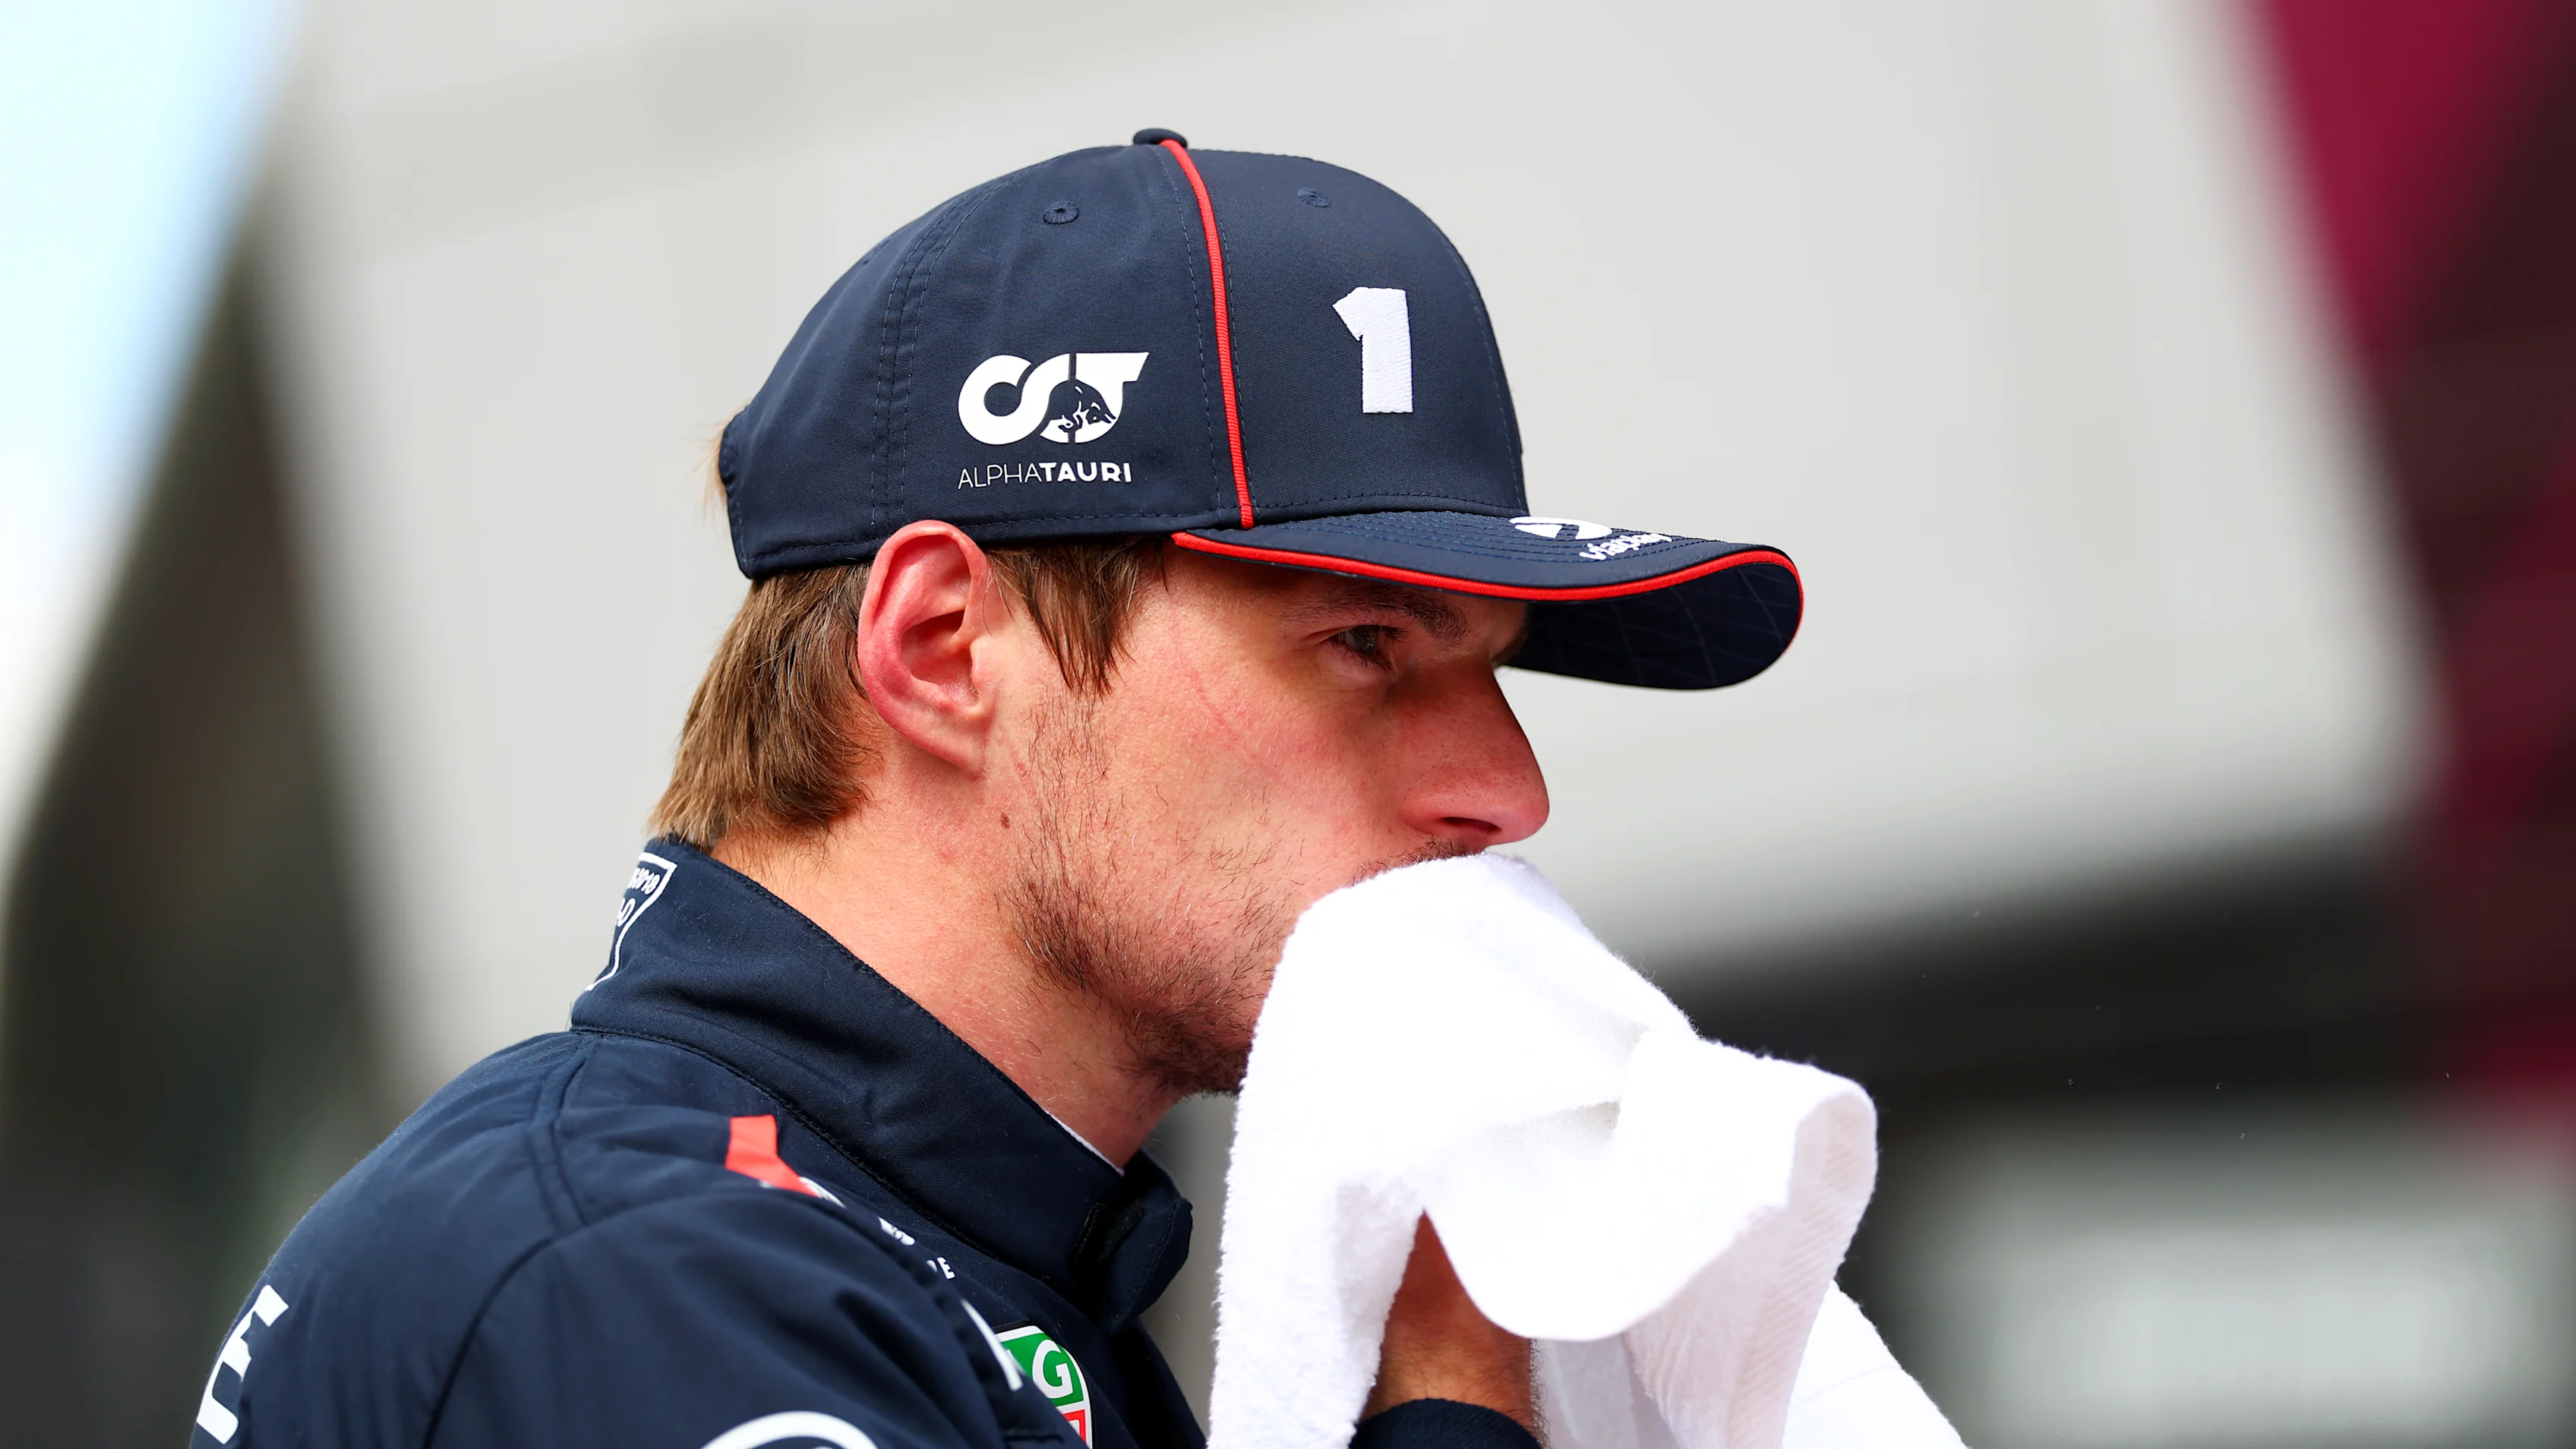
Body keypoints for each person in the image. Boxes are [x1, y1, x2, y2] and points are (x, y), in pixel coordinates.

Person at [188, 131, 1801, 1449]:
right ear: (946, 648)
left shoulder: (954, 1262)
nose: (1502, 790)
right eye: (1369, 641)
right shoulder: (638, 1273)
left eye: (1497, 668)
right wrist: (1452, 1404)